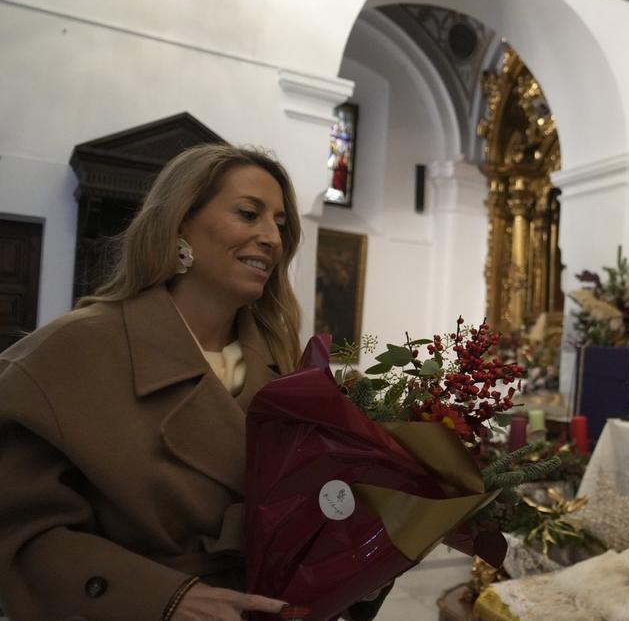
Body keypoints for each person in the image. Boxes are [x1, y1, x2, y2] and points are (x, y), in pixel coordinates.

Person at [0, 145, 386, 621]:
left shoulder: (290, 365)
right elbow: (18, 534)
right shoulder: (70, 352)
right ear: (180, 222)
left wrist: (365, 555)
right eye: (249, 214)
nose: (272, 238)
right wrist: (165, 597)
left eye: (281, 224)